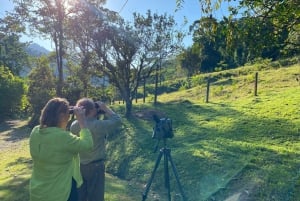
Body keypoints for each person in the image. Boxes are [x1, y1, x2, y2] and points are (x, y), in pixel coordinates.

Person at [29, 97, 94, 201]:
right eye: (68, 113)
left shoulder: (35, 131)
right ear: (61, 116)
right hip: (60, 193)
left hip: (38, 190)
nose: (69, 116)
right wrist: (82, 121)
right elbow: (88, 144)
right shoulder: (63, 138)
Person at [70, 98, 121, 201]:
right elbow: (117, 121)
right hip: (95, 166)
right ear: (92, 110)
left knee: (81, 196)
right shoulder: (98, 125)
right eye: (95, 108)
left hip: (80, 166)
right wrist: (105, 108)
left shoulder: (74, 125)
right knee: (95, 197)